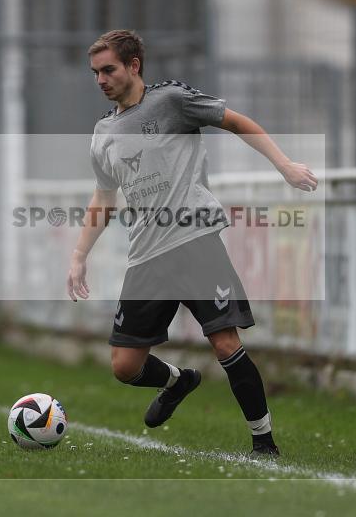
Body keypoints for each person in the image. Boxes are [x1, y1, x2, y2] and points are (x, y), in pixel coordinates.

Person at [66, 29, 317, 458]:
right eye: (95, 72)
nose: (101, 79)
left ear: (134, 65)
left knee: (225, 343)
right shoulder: (102, 133)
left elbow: (237, 122)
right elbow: (104, 197)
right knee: (125, 368)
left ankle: (264, 443)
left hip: (196, 240)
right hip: (147, 256)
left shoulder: (171, 101)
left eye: (108, 69)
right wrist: (79, 255)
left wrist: (285, 165)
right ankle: (178, 381)